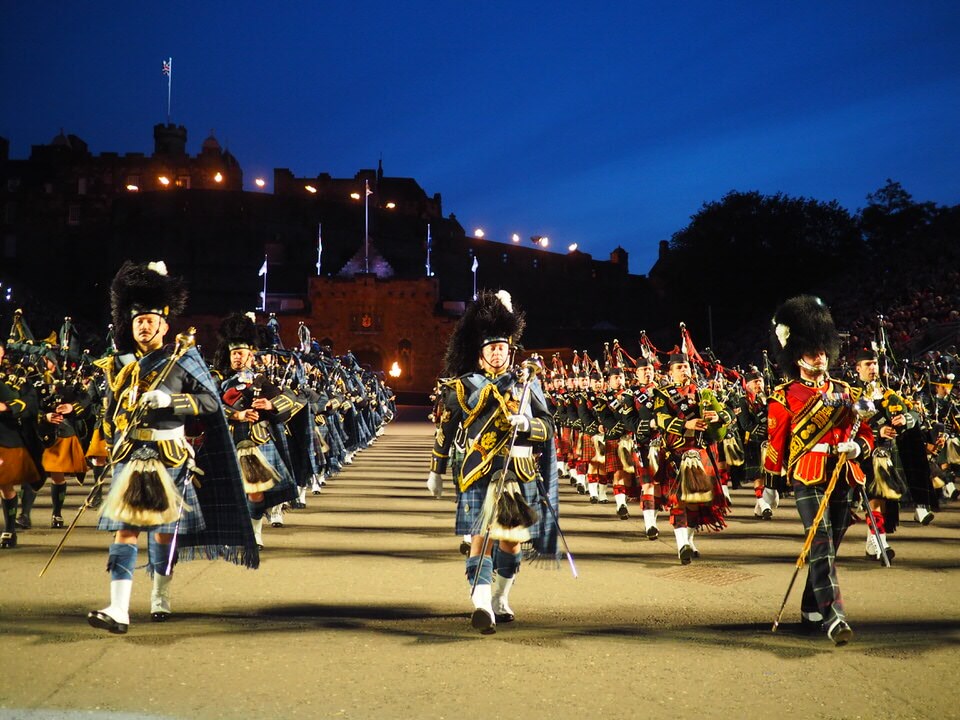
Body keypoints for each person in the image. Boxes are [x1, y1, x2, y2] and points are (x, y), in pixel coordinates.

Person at [87, 261, 257, 635]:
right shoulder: (120, 365)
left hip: (169, 455)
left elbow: (211, 403)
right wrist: (107, 444)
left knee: (163, 533)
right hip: (130, 454)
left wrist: (172, 402)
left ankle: (160, 594)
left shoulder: (183, 360)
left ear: (165, 325)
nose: (144, 326)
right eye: (138, 321)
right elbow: (111, 412)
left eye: (150, 320)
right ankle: (118, 608)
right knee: (125, 530)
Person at [427, 290, 557, 634]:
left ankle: (499, 597)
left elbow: (548, 427)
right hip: (479, 471)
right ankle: (481, 604)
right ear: (481, 355)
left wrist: (527, 424)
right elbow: (447, 428)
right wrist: (436, 470)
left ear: (509, 351)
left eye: (502, 348)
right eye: (491, 348)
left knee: (511, 542)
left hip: (517, 472)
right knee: (480, 538)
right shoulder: (463, 386)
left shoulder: (529, 386)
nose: (498, 353)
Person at [764, 295, 874, 645]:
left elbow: (865, 432)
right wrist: (769, 487)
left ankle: (811, 605)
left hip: (842, 473)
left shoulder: (845, 392)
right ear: (797, 354)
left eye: (823, 350)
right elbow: (776, 443)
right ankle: (834, 617)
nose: (820, 357)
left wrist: (858, 447)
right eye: (812, 351)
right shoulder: (784, 396)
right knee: (821, 543)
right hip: (807, 474)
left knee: (829, 546)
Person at [653, 353, 731, 563]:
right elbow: (660, 418)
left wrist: (718, 417)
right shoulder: (663, 394)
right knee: (678, 500)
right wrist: (685, 424)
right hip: (676, 451)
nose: (684, 370)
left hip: (701, 451)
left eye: (686, 366)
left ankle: (689, 540)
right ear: (670, 373)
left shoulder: (703, 392)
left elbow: (727, 414)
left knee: (696, 501)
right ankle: (682, 545)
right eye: (679, 367)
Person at [0, 343, 43, 548]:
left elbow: (31, 404)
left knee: (4, 485)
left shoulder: (17, 376)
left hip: (5, 436)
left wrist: (7, 406)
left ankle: (10, 529)